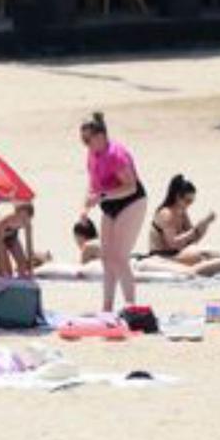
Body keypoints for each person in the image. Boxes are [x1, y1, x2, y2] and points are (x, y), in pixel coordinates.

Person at [79, 111, 147, 313]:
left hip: (131, 202)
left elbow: (130, 187)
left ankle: (131, 306)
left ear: (100, 136)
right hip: (109, 204)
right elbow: (93, 184)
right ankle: (107, 308)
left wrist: (101, 196)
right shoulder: (93, 154)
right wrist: (85, 208)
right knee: (106, 257)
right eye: (82, 140)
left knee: (119, 257)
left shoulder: (116, 155)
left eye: (87, 140)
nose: (85, 144)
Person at [0, 199, 49, 279]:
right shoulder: (8, 220)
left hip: (12, 236)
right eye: (21, 217)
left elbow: (29, 246)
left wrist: (30, 270)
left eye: (25, 218)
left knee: (23, 266)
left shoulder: (28, 224)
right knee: (6, 272)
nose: (23, 220)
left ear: (30, 216)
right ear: (16, 213)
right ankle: (3, 273)